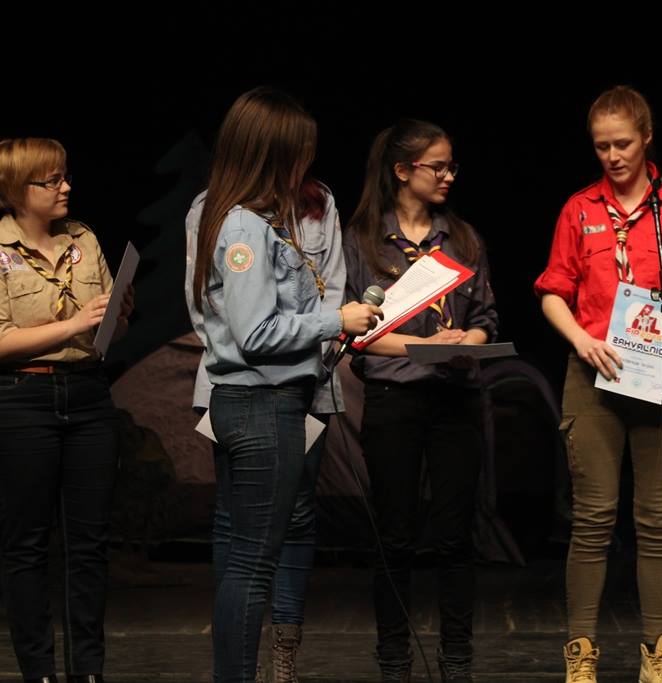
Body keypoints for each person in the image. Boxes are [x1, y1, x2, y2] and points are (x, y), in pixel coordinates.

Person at [189, 87, 381, 683]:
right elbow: (255, 333)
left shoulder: (256, 220)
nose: (307, 162)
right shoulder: (244, 227)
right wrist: (336, 319)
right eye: (299, 151)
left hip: (261, 401)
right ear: (272, 154)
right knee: (250, 564)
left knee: (248, 560)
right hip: (261, 403)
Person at [534, 86, 662, 683]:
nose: (612, 156)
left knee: (658, 522)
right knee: (593, 517)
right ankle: (581, 654)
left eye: (622, 144)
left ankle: (657, 657)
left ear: (646, 138)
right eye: (601, 147)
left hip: (660, 370)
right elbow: (552, 291)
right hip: (595, 372)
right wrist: (580, 339)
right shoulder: (579, 209)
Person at [343, 119, 498, 683]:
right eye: (438, 166)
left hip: (456, 398)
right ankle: (394, 660)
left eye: (452, 165)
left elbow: (486, 319)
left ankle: (457, 660)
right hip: (394, 398)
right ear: (403, 171)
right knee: (395, 536)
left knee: (456, 536)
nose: (449, 175)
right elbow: (356, 334)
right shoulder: (363, 240)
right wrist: (423, 346)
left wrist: (466, 341)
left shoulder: (463, 238)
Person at [0, 137, 132, 683]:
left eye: (65, 176)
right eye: (51, 180)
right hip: (22, 399)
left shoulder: (83, 238)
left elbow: (107, 334)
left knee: (89, 546)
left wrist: (116, 317)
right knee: (27, 545)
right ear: (17, 188)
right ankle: (39, 672)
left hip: (88, 395)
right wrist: (76, 323)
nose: (65, 187)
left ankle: (88, 672)